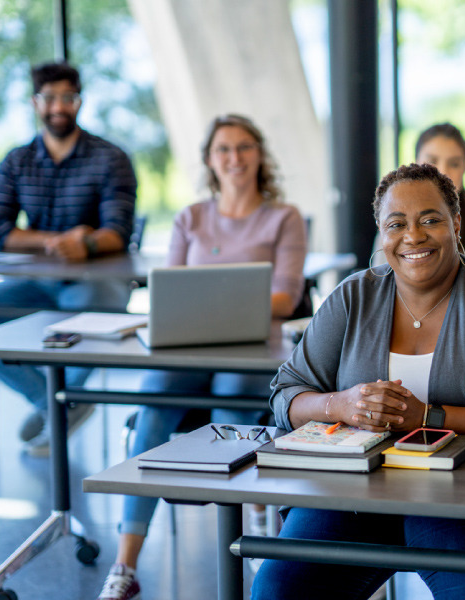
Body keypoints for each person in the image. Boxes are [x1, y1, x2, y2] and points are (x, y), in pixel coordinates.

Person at [251, 163, 465, 600]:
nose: (413, 236)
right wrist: (342, 404)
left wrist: (427, 416)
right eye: (397, 224)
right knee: (276, 588)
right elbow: (285, 393)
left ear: (456, 224)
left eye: (430, 219)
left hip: (454, 500)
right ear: (381, 232)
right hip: (353, 495)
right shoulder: (354, 296)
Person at [97, 114, 307, 600]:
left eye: (244, 147)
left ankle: (252, 544)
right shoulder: (190, 217)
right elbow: (170, 293)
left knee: (230, 405)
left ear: (259, 154)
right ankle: (125, 565)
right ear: (210, 160)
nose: (234, 158)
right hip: (189, 349)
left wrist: (221, 305)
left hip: (255, 349)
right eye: (223, 150)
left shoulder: (284, 217)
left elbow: (288, 297)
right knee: (152, 410)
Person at [0, 61, 137, 456]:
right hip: (35, 283)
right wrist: (55, 240)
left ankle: (58, 403)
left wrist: (86, 245)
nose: (59, 106)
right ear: (35, 102)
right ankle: (58, 403)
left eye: (67, 97)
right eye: (50, 97)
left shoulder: (110, 158)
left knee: (102, 308)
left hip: (95, 283)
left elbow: (118, 231)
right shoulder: (17, 161)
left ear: (79, 101)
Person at [373, 123, 465, 274]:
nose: (443, 172)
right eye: (432, 161)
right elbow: (381, 286)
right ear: (415, 164)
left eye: (454, 164)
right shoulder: (391, 224)